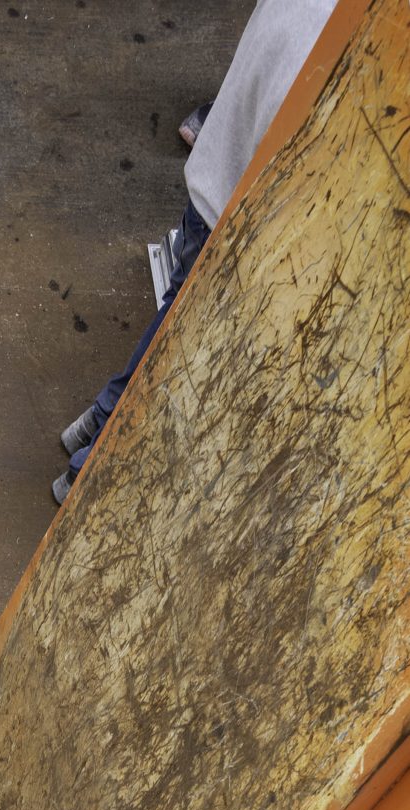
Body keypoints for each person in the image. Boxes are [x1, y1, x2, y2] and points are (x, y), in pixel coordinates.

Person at [52, 0, 337, 502]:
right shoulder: (337, 47)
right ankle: (85, 473)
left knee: (170, 323)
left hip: (211, 183)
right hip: (234, 220)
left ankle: (94, 424)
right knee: (178, 352)